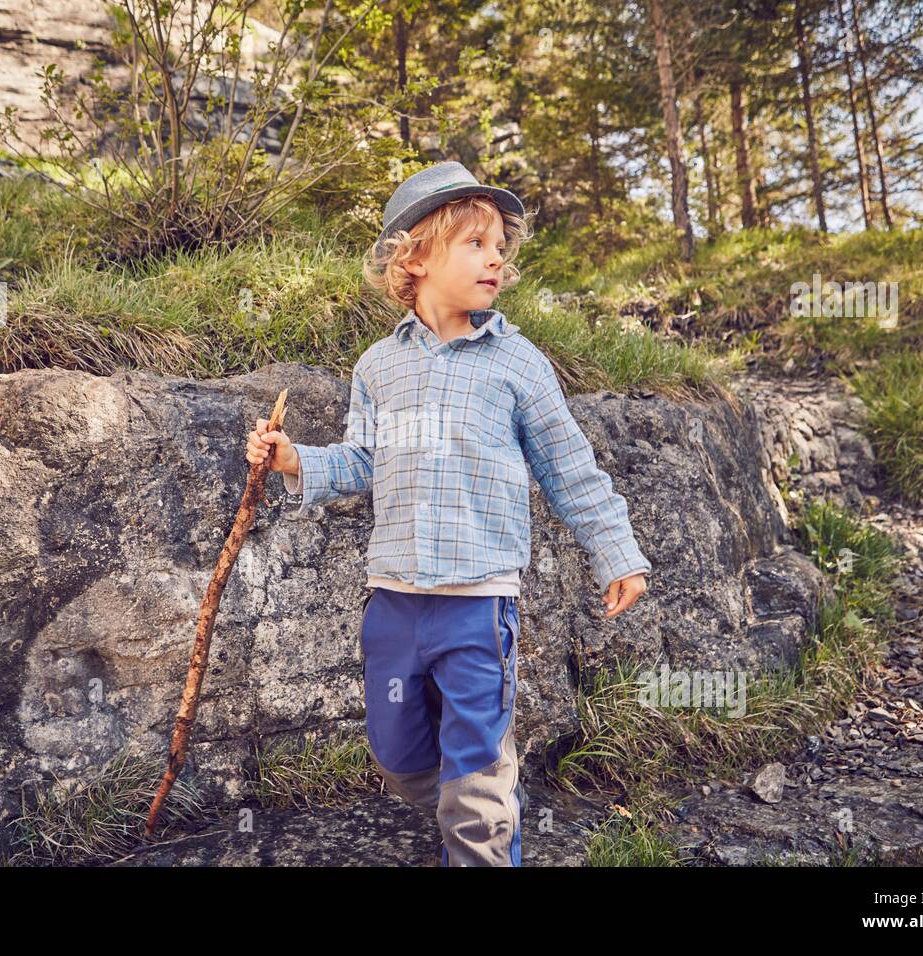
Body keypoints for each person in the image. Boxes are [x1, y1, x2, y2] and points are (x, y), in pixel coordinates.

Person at [245, 161, 651, 866]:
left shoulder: (517, 365)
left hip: (477, 606)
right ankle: (474, 797)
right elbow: (363, 461)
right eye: (475, 243)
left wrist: (616, 551)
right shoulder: (378, 366)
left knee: (475, 777)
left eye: (500, 246)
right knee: (398, 754)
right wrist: (294, 461)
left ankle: (482, 819)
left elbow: (568, 466)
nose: (496, 257)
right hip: (394, 605)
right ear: (416, 256)